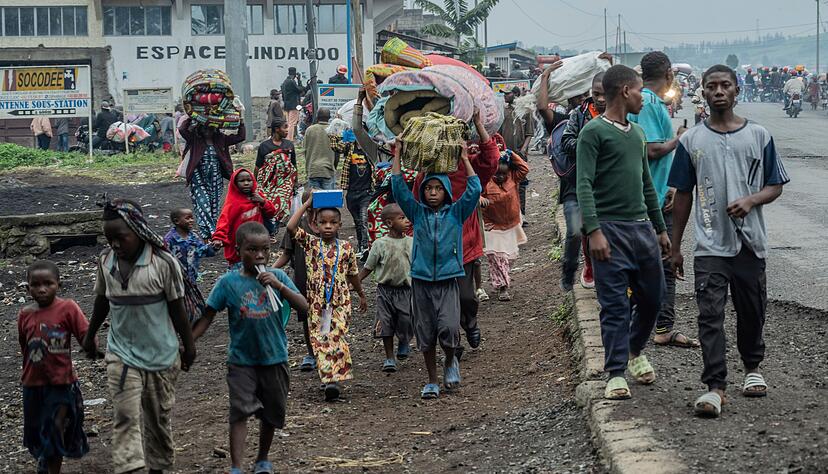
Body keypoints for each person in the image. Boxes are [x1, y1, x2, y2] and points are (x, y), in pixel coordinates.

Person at [669, 65, 789, 418]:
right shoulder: (692, 141)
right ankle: (715, 387)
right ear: (702, 93)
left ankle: (752, 368)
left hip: (751, 243)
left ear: (737, 91)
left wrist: (752, 200)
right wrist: (675, 247)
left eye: (725, 85)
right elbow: (682, 194)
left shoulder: (759, 135)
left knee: (752, 310)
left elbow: (775, 184)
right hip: (709, 245)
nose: (719, 91)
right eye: (712, 86)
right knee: (709, 315)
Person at [575, 65, 670, 401]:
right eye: (640, 90)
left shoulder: (638, 134)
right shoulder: (594, 132)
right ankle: (616, 372)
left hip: (642, 228)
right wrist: (594, 231)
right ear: (625, 91)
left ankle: (633, 348)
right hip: (609, 230)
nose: (644, 97)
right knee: (614, 304)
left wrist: (660, 228)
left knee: (653, 298)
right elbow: (583, 183)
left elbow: (646, 183)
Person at [82, 198, 197, 474]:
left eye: (121, 238)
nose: (115, 245)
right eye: (110, 239)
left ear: (138, 231)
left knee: (157, 418)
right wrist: (90, 334)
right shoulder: (106, 261)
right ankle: (130, 467)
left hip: (162, 355)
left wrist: (188, 345)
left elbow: (177, 307)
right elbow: (102, 301)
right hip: (121, 354)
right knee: (125, 415)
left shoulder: (162, 263)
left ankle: (158, 467)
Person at [192, 222, 308, 474]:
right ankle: (236, 466)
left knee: (271, 413)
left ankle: (262, 459)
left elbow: (304, 307)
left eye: (265, 250)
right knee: (239, 411)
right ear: (238, 250)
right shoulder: (228, 283)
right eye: (252, 250)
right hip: (242, 361)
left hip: (275, 358)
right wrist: (188, 345)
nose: (259, 256)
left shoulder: (278, 277)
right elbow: (207, 316)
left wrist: (280, 286)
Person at [393, 139, 482, 399]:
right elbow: (398, 188)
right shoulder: (417, 213)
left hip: (447, 280)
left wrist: (465, 159)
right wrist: (398, 154)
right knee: (426, 333)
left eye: (438, 189)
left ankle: (451, 360)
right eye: (428, 188)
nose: (432, 193)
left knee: (450, 327)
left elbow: (474, 189)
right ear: (422, 192)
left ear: (445, 192)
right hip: (421, 281)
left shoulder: (456, 213)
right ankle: (432, 380)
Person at [411, 110, 499, 354]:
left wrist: (479, 125)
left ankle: (469, 323)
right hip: (434, 250)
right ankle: (453, 344)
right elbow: (417, 208)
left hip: (464, 244)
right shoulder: (425, 175)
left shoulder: (467, 167)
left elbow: (491, 159)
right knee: (439, 303)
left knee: (466, 297)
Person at [627, 52, 697, 349]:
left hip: (656, 192)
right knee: (663, 263)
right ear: (669, 73)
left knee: (654, 264)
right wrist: (679, 139)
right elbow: (650, 149)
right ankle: (661, 327)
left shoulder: (649, 101)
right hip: (652, 199)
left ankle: (650, 323)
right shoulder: (649, 103)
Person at [286, 195, 368, 401]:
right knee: (321, 339)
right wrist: (306, 204)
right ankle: (329, 378)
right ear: (315, 224)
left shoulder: (346, 248)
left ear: (340, 224)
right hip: (317, 305)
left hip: (340, 302)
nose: (328, 226)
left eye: (333, 222)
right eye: (323, 222)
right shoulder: (311, 245)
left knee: (336, 336)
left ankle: (334, 380)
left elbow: (352, 273)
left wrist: (360, 293)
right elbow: (290, 227)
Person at [19, 260, 91, 474]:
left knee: (55, 427)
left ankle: (51, 468)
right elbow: (25, 347)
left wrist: (92, 346)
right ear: (28, 287)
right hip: (32, 383)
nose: (42, 289)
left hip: (61, 382)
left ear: (58, 284)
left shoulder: (68, 308)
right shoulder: (25, 314)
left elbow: (85, 335)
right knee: (36, 431)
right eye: (35, 284)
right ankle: (45, 458)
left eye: (48, 283)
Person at [558, 72, 606, 291]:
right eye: (597, 94)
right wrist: (589, 146)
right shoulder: (579, 114)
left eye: (606, 94)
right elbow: (566, 141)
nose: (601, 99)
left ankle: (596, 269)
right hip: (575, 183)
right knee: (576, 230)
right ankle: (570, 271)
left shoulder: (622, 116)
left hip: (604, 185)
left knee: (598, 229)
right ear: (590, 93)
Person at [358, 203, 414, 372]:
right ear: (389, 223)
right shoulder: (380, 244)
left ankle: (404, 341)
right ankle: (389, 357)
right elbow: (369, 266)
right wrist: (357, 281)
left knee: (406, 320)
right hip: (385, 291)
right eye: (402, 218)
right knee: (386, 323)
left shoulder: (412, 242)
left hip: (406, 290)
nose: (407, 221)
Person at [178, 118, 247, 239]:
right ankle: (211, 234)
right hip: (198, 177)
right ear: (200, 128)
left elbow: (240, 137)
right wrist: (192, 116)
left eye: (211, 128)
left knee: (214, 207)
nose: (208, 130)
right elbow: (182, 129)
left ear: (216, 128)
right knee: (203, 205)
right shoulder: (194, 139)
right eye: (205, 127)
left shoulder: (221, 139)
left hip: (216, 178)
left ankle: (209, 235)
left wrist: (241, 122)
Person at [274, 189, 318, 372]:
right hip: (302, 278)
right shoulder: (299, 224)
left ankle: (324, 352)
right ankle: (311, 352)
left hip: (325, 280)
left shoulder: (328, 223)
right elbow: (286, 254)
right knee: (307, 317)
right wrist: (271, 270)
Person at [480, 148, 529, 301]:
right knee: (496, 257)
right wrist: (480, 199)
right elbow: (474, 192)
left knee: (508, 258)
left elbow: (524, 168)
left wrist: (509, 153)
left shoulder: (513, 177)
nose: (500, 177)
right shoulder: (485, 182)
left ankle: (500, 279)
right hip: (492, 226)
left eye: (503, 173)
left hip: (511, 226)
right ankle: (503, 287)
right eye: (496, 174)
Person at [211, 169, 277, 267]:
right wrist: (218, 238)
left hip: (257, 245)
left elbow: (272, 212)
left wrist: (263, 201)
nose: (246, 183)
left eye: (249, 180)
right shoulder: (233, 203)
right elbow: (224, 221)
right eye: (242, 181)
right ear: (235, 184)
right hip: (238, 250)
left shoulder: (257, 197)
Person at [255, 118, 297, 235]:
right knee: (268, 206)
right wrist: (256, 185)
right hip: (268, 183)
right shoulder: (264, 146)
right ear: (277, 129)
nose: (287, 130)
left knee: (281, 206)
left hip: (285, 183)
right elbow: (258, 166)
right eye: (285, 127)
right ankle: (270, 230)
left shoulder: (289, 145)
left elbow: (293, 165)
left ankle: (274, 228)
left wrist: (295, 183)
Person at [336, 126, 374, 256]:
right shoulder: (349, 147)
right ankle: (361, 246)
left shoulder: (371, 149)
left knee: (364, 221)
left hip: (367, 192)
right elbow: (335, 146)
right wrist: (342, 132)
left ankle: (365, 248)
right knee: (358, 222)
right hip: (352, 192)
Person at [500, 86, 534, 219]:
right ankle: (510, 213)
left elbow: (529, 133)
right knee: (506, 181)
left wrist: (523, 149)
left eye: (507, 94)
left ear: (515, 94)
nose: (504, 96)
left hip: (520, 153)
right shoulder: (502, 111)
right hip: (505, 153)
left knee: (521, 183)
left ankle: (522, 214)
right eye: (504, 94)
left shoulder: (525, 111)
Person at [163, 208, 216, 286]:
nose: (191, 220)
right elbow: (164, 259)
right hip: (175, 280)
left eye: (192, 218)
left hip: (191, 279)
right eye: (187, 218)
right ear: (177, 221)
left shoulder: (193, 236)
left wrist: (214, 247)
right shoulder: (170, 239)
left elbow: (201, 251)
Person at [303, 108, 338, 190]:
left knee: (314, 201)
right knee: (328, 201)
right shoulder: (333, 131)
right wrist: (334, 167)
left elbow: (305, 150)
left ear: (317, 117)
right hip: (328, 171)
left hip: (313, 170)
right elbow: (337, 153)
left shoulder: (310, 130)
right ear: (329, 117)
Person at [281, 67, 307, 141]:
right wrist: (299, 80)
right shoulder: (291, 82)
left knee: (288, 122)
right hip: (293, 105)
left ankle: (287, 138)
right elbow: (300, 89)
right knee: (292, 123)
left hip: (287, 105)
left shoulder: (285, 82)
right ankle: (289, 139)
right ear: (295, 74)